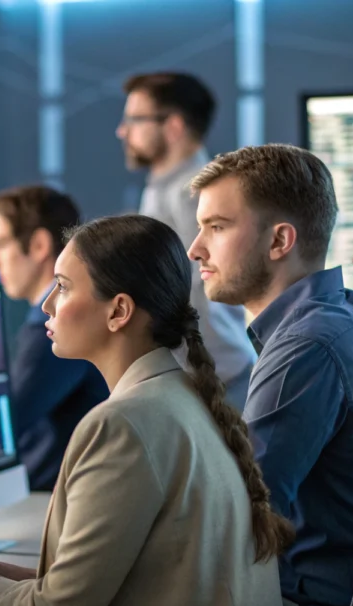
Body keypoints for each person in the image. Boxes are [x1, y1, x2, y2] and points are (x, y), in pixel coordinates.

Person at [0, 214, 293, 606]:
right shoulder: (188, 396)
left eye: (63, 287)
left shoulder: (123, 424)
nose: (47, 304)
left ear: (118, 311)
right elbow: (116, 586)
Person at [187, 144, 353, 606]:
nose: (196, 248)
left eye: (217, 227)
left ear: (279, 241)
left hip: (329, 602)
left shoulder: (307, 345)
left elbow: (239, 517)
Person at [117, 72, 256, 410]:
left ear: (174, 126)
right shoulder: (164, 187)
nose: (122, 131)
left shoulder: (196, 193)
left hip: (215, 384)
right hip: (203, 382)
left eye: (134, 119)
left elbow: (195, 291)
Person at [0, 185, 108, 491]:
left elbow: (0, 428)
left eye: (0, 244)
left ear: (39, 245)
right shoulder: (60, 322)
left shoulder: (54, 332)